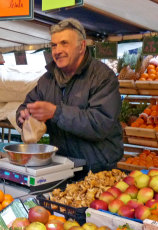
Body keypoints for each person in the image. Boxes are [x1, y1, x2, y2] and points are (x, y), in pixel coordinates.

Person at [16, 18, 123, 175]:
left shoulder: (102, 77)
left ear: (82, 46)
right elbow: (26, 105)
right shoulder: (47, 80)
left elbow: (101, 123)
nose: (57, 50)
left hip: (98, 169)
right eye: (54, 45)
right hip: (61, 167)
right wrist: (23, 115)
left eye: (64, 43)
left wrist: (56, 113)